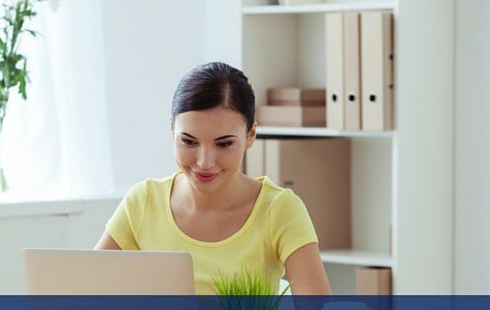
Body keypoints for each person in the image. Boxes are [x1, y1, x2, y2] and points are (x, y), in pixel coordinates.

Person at [95, 61, 331, 297]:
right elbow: (84, 290)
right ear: (172, 130)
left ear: (251, 135)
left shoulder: (279, 209)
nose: (204, 162)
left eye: (224, 143)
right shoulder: (144, 201)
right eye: (188, 141)